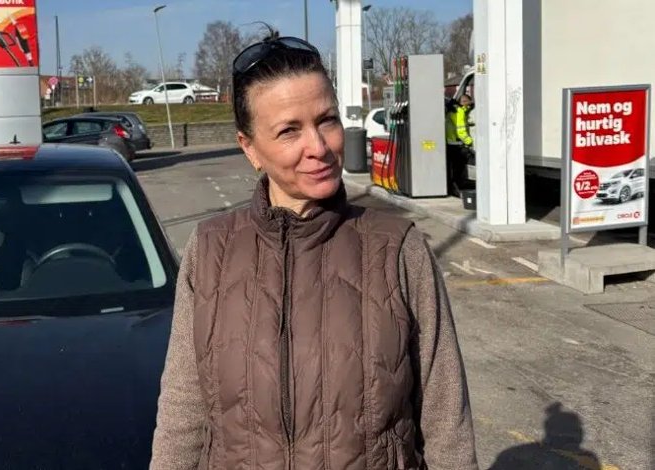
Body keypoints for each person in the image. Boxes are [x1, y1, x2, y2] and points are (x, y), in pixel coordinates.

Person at [150, 27, 478, 470]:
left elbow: (446, 424)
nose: (319, 147)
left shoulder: (399, 248)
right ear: (250, 148)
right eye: (289, 130)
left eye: (327, 120)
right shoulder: (210, 251)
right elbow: (183, 413)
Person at [445, 94, 475, 197]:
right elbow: (461, 130)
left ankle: (453, 188)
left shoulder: (454, 110)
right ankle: (457, 188)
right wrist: (469, 141)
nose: (469, 104)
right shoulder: (460, 112)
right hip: (456, 144)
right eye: (468, 102)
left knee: (453, 168)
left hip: (451, 143)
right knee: (459, 168)